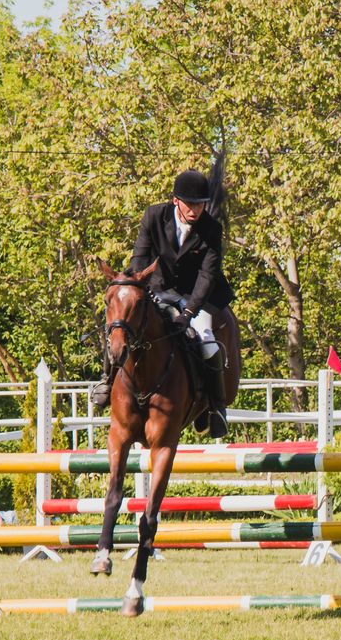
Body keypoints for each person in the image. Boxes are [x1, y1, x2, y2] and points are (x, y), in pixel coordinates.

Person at [91, 169, 236, 438]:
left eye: (201, 204)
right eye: (190, 204)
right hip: (159, 288)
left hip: (199, 295)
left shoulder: (211, 229)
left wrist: (189, 312)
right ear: (175, 201)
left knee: (205, 338)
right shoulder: (154, 216)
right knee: (123, 324)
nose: (196, 210)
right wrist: (137, 289)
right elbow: (139, 258)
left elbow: (207, 276)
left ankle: (217, 408)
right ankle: (106, 381)